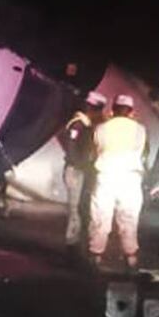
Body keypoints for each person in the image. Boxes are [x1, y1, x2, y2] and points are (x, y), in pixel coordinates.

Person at [88, 94, 148, 270]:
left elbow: (97, 147)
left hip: (106, 175)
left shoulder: (101, 128)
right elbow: (140, 149)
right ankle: (131, 257)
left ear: (113, 109)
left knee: (100, 217)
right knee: (129, 218)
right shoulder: (140, 129)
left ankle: (96, 255)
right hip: (129, 177)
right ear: (130, 111)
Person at [58, 90, 107, 250]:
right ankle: (71, 242)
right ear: (91, 107)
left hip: (84, 170)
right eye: (98, 109)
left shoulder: (91, 124)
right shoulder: (78, 123)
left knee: (83, 206)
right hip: (76, 170)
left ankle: (78, 240)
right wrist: (81, 165)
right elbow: (71, 147)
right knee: (75, 207)